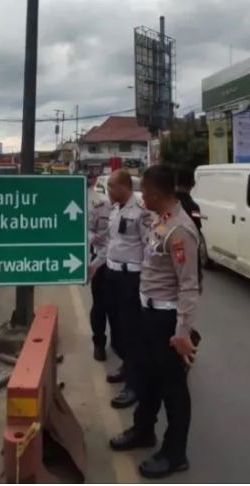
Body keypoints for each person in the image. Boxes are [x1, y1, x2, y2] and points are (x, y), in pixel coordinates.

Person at [109, 164, 200, 479]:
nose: (140, 195)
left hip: (167, 320)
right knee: (144, 378)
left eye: (144, 190)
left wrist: (182, 332)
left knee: (173, 390)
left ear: (157, 193)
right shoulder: (160, 221)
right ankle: (143, 430)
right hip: (147, 314)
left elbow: (189, 286)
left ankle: (176, 454)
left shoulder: (180, 232)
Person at [104, 169, 150, 409]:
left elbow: (148, 246)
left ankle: (133, 384)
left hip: (130, 277)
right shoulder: (115, 208)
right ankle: (126, 366)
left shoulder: (140, 210)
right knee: (119, 328)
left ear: (124, 187)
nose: (108, 191)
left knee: (132, 332)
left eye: (111, 186)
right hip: (112, 274)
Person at [88, 171, 112, 362]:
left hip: (117, 264)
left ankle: (120, 344)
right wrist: (90, 238)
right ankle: (99, 343)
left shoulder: (105, 202)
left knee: (119, 308)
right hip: (99, 261)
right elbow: (88, 230)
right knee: (99, 306)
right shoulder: (97, 204)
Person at [174, 166, 201, 232]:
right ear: (192, 184)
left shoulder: (167, 202)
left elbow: (161, 226)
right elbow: (197, 227)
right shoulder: (194, 208)